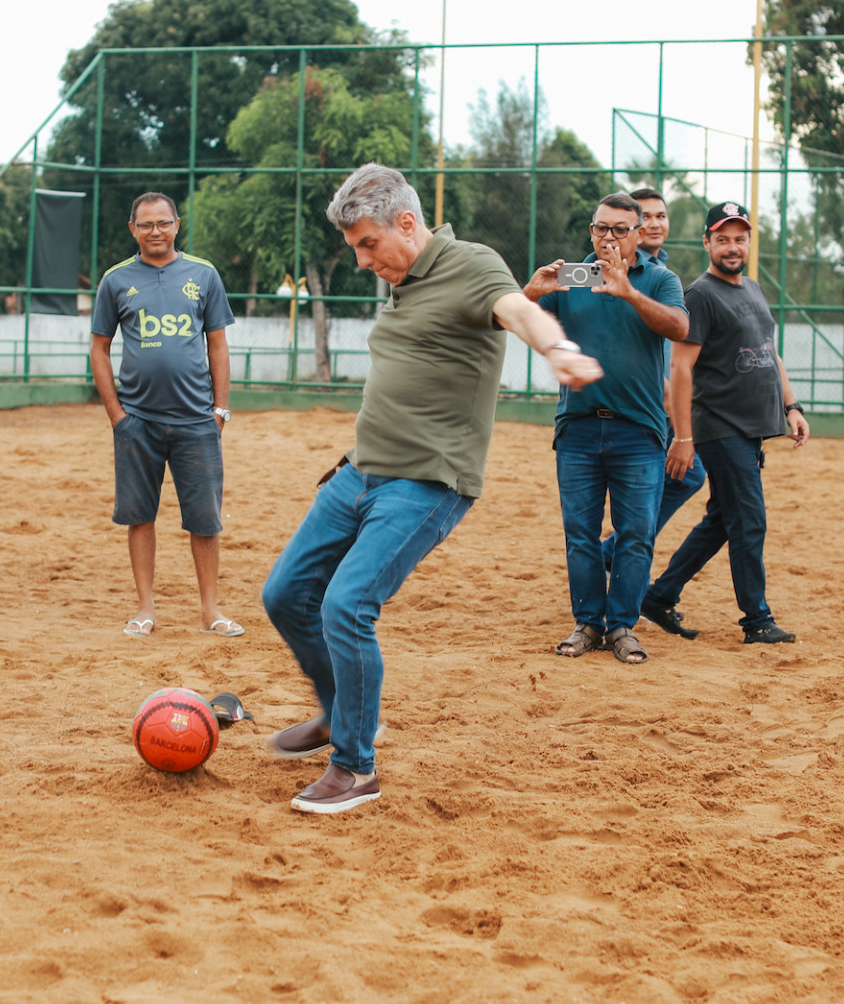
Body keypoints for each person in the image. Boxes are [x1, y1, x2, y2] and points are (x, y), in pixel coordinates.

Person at [260, 163, 603, 814]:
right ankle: (341, 712)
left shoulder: (470, 263)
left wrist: (556, 350)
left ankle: (356, 768)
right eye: (355, 247)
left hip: (425, 483)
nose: (362, 260)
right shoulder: (405, 276)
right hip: (360, 469)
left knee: (346, 605)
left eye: (367, 244)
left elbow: (516, 310)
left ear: (407, 223)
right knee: (285, 594)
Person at [525, 193, 688, 665]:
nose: (609, 238)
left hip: (639, 431)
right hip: (577, 426)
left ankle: (622, 627)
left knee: (636, 533)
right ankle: (588, 624)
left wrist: (630, 294)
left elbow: (679, 327)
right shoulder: (572, 277)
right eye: (601, 228)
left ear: (639, 234)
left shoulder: (659, 279)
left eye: (620, 229)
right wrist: (533, 292)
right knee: (580, 534)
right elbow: (523, 323)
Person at [641, 202, 808, 645]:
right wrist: (683, 436)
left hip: (753, 426)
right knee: (749, 521)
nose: (732, 247)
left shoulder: (752, 289)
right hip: (720, 426)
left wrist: (792, 405)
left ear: (749, 243)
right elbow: (681, 368)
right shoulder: (701, 295)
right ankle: (757, 620)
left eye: (739, 238)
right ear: (707, 243)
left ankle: (659, 595)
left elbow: (769, 352)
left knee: (722, 519)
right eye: (722, 239)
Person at [89, 192, 242, 638]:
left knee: (206, 518)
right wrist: (117, 414)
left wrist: (220, 409)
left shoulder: (204, 275)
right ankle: (145, 608)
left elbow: (218, 344)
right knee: (139, 515)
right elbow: (99, 348)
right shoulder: (115, 280)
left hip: (198, 420)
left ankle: (211, 610)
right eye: (146, 224)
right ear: (132, 229)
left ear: (177, 224)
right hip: (137, 421)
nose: (155, 231)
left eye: (163, 222)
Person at [602, 185, 708, 633]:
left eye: (661, 216)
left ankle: (618, 552)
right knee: (687, 474)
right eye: (645, 217)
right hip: (639, 404)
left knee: (689, 473)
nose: (655, 224)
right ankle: (620, 556)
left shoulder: (662, 273)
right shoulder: (609, 273)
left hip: (664, 401)